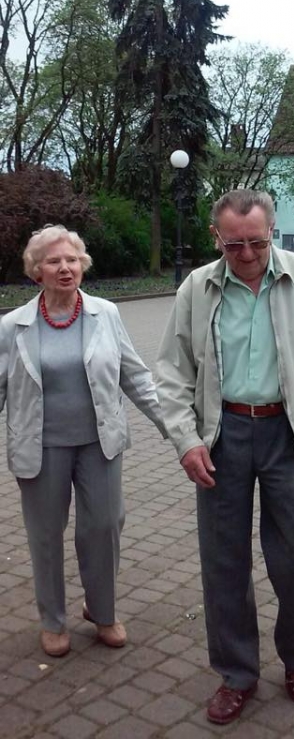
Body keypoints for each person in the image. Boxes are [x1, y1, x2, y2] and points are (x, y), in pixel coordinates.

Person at [156, 189, 294, 725]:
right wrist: (186, 440)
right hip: (223, 435)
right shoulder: (197, 287)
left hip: (291, 435)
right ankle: (237, 673)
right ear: (215, 237)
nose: (245, 254)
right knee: (224, 561)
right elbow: (171, 372)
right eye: (233, 244)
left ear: (273, 230)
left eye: (257, 243)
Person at [0, 225, 167, 658]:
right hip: (40, 448)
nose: (65, 267)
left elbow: (135, 375)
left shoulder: (105, 314)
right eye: (54, 261)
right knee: (45, 535)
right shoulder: (13, 326)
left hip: (99, 443)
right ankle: (53, 621)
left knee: (104, 526)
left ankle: (102, 610)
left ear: (82, 265)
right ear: (36, 270)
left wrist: (174, 427)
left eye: (72, 260)